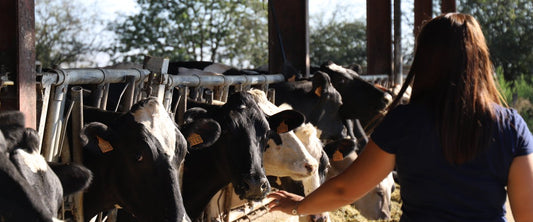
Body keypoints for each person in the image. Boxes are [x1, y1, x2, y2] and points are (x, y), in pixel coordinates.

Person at [267, 13, 533, 222]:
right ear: (480, 60)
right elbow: (528, 214)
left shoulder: (403, 122)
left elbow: (345, 189)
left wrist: (298, 207)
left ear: (425, 60)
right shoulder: (511, 127)